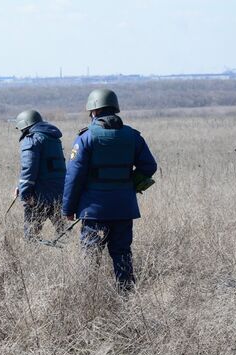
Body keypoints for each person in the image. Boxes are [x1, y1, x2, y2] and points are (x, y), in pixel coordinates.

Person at [62, 89, 157, 291]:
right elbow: (149, 167)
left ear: (93, 111)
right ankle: (127, 298)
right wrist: (130, 183)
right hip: (124, 208)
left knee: (91, 257)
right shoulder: (133, 136)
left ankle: (89, 297)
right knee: (122, 254)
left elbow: (74, 177)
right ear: (115, 108)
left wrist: (68, 208)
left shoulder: (86, 138)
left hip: (94, 211)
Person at [13, 110, 67, 243]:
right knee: (65, 235)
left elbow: (29, 170)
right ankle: (67, 258)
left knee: (31, 238)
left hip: (38, 197)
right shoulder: (54, 138)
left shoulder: (31, 140)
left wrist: (25, 194)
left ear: (24, 125)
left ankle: (34, 261)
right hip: (59, 195)